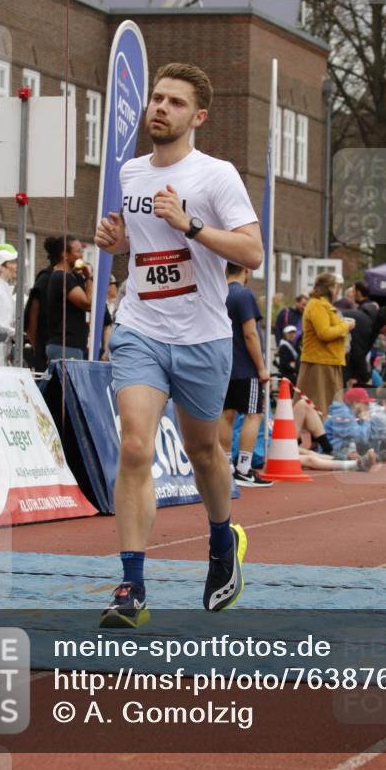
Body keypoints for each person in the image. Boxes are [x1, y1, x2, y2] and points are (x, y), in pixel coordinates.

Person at [94, 61, 262, 627]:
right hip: (141, 327)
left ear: (199, 116)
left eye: (175, 103)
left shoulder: (216, 175)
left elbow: (252, 253)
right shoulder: (130, 171)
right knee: (137, 446)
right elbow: (139, 248)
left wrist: (191, 227)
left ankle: (221, 542)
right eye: (157, 99)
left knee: (205, 451)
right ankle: (131, 586)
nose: (160, 109)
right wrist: (118, 243)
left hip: (202, 334)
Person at [218, 263, 272, 488]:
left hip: (223, 364)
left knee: (226, 414)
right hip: (244, 366)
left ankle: (226, 464)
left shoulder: (219, 293)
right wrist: (261, 367)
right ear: (246, 271)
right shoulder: (244, 295)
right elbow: (250, 333)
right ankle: (244, 468)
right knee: (253, 414)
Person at [296, 272, 352, 416]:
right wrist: (346, 326)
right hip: (319, 363)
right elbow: (324, 333)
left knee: (329, 407)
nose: (337, 290)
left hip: (328, 361)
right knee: (320, 407)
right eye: (336, 287)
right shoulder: (317, 304)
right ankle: (315, 436)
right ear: (331, 288)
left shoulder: (323, 305)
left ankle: (321, 435)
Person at [44, 235, 93, 361]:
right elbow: (88, 304)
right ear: (65, 254)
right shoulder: (62, 278)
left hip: (66, 345)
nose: (82, 256)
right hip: (66, 345)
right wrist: (89, 278)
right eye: (78, 252)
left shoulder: (70, 277)